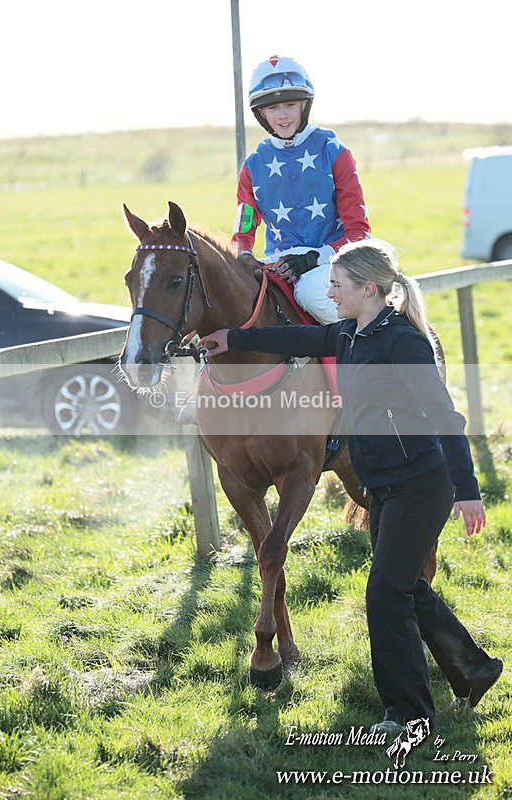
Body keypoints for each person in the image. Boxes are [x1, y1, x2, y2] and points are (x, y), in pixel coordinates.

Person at [198, 238, 503, 732]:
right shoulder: (350, 334)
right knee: (405, 590)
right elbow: (295, 340)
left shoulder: (403, 343)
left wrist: (467, 489)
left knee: (385, 594)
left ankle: (408, 715)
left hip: (420, 484)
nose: (330, 293)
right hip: (385, 485)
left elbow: (446, 418)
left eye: (337, 285)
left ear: (368, 289)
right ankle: (473, 670)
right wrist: (231, 338)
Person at [232, 55, 371, 325]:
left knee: (310, 291)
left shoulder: (334, 152)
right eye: (273, 108)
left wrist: (313, 258)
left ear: (305, 105)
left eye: (290, 104)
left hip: (336, 262)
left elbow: (359, 233)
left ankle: (368, 352)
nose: (282, 114)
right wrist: (244, 255)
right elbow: (243, 230)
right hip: (279, 265)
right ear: (261, 113)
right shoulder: (252, 166)